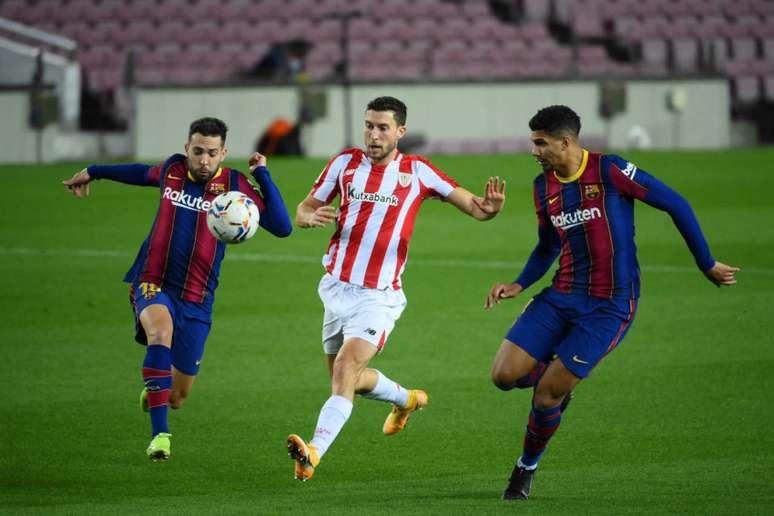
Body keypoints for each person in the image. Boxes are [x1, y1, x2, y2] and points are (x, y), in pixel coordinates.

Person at [484, 105, 739, 500]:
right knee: (503, 377)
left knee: (546, 394)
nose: (534, 151)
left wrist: (705, 262)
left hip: (609, 306)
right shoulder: (543, 186)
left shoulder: (610, 171)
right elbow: (549, 244)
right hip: (560, 295)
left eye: (540, 143)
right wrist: (519, 283)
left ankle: (525, 468)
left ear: (565, 141)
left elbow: (676, 203)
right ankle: (559, 381)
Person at [287, 96, 506, 481]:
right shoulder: (344, 164)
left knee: (345, 369)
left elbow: (474, 207)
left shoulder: (417, 172)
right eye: (369, 125)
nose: (373, 134)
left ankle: (314, 452)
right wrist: (309, 218)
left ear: (400, 132)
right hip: (336, 288)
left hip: (378, 296)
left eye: (383, 127)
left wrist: (490, 207)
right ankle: (405, 400)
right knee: (346, 379)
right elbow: (304, 208)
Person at [62, 117, 292, 461]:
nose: (203, 160)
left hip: (198, 298)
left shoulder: (235, 185)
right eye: (197, 151)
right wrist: (94, 170)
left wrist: (262, 175)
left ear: (223, 153)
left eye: (211, 153)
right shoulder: (172, 170)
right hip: (153, 279)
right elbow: (140, 172)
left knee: (178, 395)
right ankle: (160, 436)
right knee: (160, 333)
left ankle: (159, 391)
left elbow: (283, 227)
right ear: (187, 148)